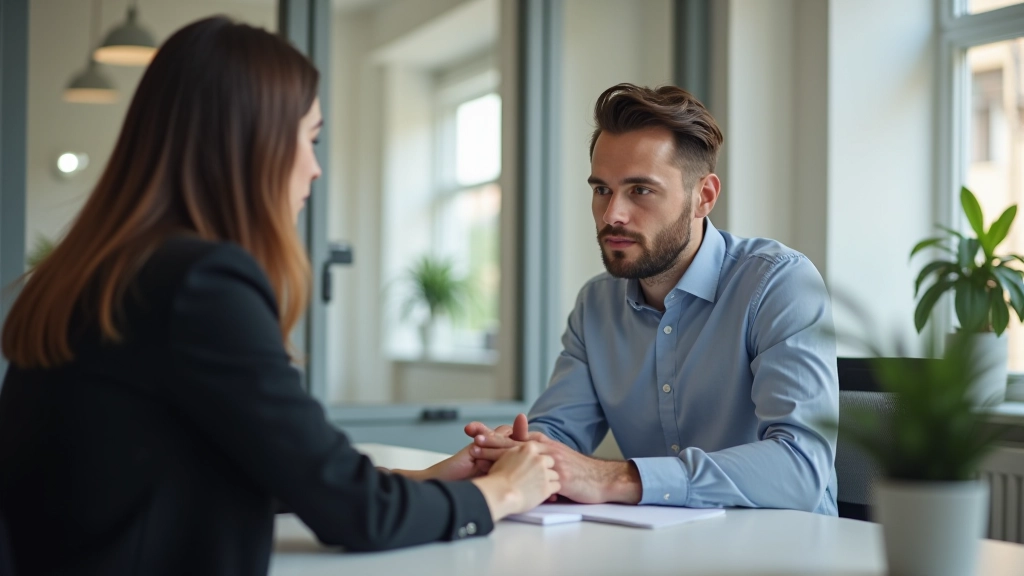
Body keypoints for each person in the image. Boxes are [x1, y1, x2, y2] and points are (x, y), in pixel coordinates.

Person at [0, 17, 559, 576]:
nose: (315, 170)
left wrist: (430, 479)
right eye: (311, 139)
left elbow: (275, 470)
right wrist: (504, 494)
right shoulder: (199, 282)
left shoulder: (95, 273)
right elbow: (354, 515)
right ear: (252, 143)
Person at [465, 83, 838, 515]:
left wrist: (614, 477)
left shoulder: (777, 284)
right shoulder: (595, 307)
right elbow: (557, 434)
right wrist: (513, 453)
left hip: (785, 549)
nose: (612, 215)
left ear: (704, 197)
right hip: (653, 547)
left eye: (640, 190)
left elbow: (800, 468)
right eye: (602, 189)